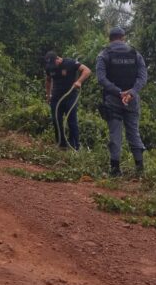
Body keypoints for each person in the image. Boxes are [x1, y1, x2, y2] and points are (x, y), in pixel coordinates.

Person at [95, 26, 147, 176]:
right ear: (123, 37)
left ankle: (115, 169)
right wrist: (131, 92)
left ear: (109, 38)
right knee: (134, 132)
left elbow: (101, 79)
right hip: (131, 100)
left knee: (115, 133)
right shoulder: (135, 53)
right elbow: (142, 77)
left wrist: (118, 92)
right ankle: (140, 170)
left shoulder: (104, 54)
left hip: (113, 99)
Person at [44, 51, 91, 150]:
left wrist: (79, 81)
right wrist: (48, 95)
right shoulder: (49, 67)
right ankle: (61, 145)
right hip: (56, 97)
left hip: (70, 96)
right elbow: (48, 80)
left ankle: (75, 146)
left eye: (54, 63)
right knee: (56, 119)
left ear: (58, 58)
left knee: (71, 121)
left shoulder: (70, 63)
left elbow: (87, 70)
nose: (53, 66)